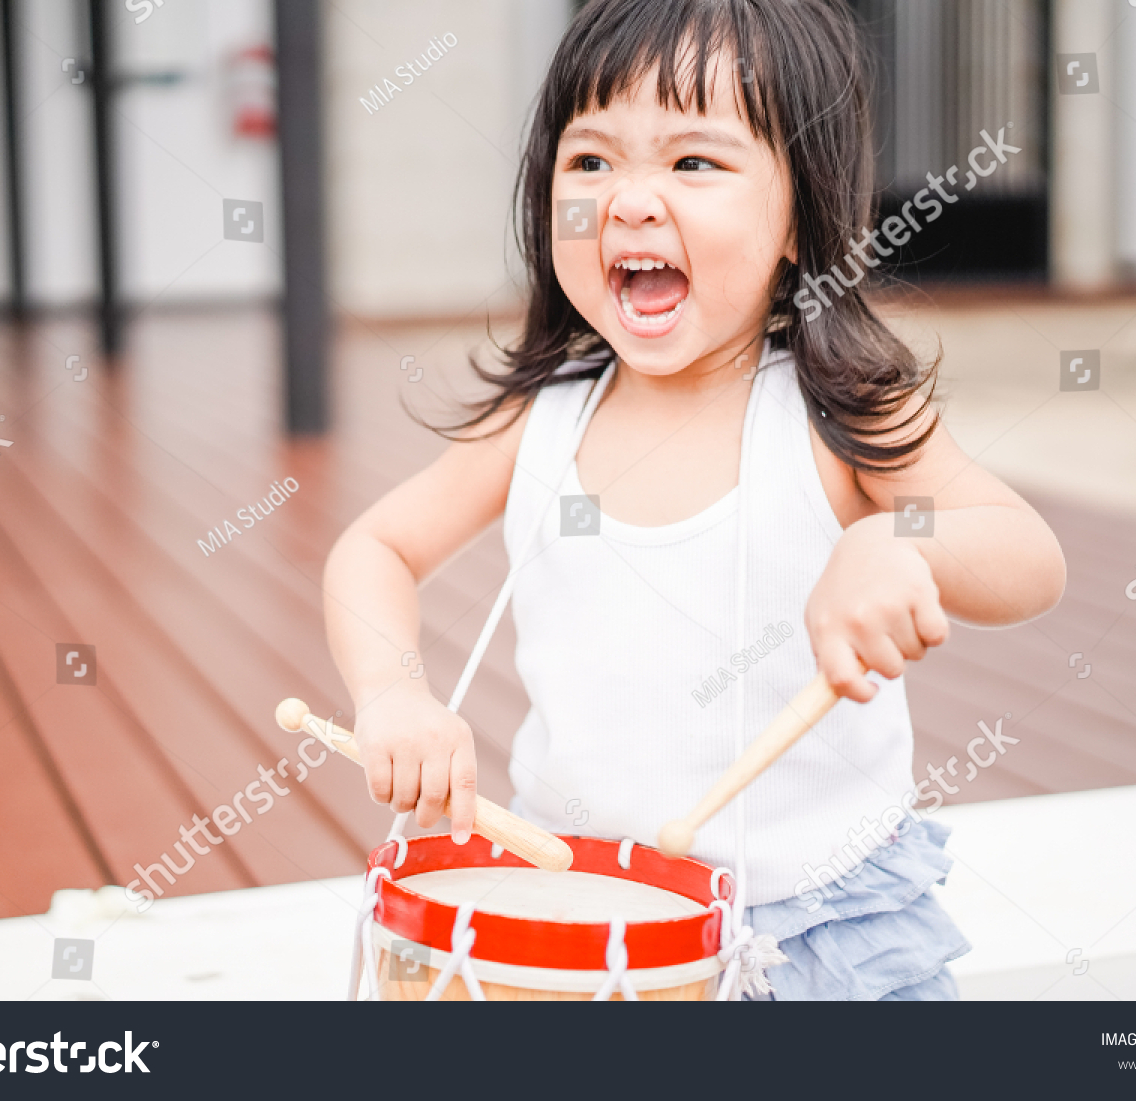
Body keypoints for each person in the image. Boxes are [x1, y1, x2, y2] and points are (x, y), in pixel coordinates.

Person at [324, 0, 1066, 999]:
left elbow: (1027, 556)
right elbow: (375, 549)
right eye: (589, 164)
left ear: (801, 217)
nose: (628, 201)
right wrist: (393, 693)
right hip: (592, 924)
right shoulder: (541, 422)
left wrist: (903, 541)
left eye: (693, 164)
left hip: (822, 930)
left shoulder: (833, 413)